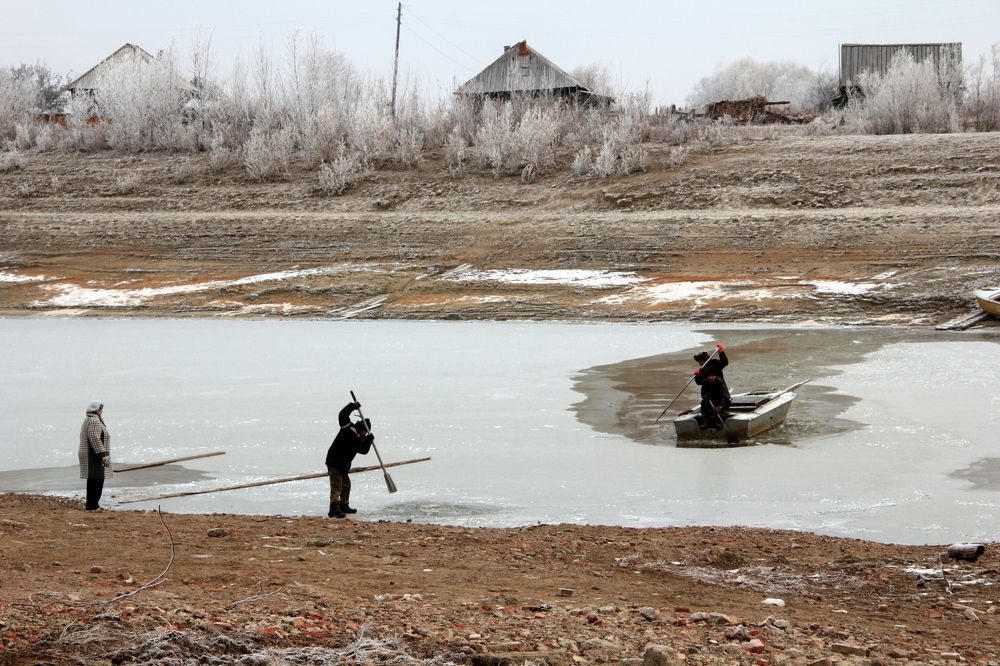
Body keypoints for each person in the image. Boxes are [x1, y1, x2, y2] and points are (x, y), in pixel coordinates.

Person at [324, 401, 374, 518]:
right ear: (361, 428)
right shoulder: (348, 428)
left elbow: (363, 450)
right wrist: (352, 406)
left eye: (366, 433)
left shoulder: (359, 438)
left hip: (343, 465)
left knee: (346, 484)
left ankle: (344, 505)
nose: (365, 434)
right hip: (334, 461)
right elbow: (342, 415)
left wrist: (368, 441)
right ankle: (334, 509)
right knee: (337, 486)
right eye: (365, 432)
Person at [78, 401, 111, 511]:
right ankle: (93, 505)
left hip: (91, 453)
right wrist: (103, 454)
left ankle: (92, 504)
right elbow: (94, 437)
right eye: (101, 409)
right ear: (96, 410)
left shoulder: (90, 419)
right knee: (97, 480)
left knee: (94, 480)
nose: (102, 411)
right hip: (93, 454)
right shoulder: (94, 420)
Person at [693, 344, 731, 428]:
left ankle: (718, 422)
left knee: (721, 406)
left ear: (706, 359)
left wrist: (721, 352)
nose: (700, 363)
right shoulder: (702, 369)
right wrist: (697, 376)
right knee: (705, 405)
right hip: (709, 394)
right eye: (699, 361)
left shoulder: (715, 363)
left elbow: (725, 362)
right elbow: (700, 383)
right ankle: (706, 423)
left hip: (720, 391)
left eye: (701, 360)